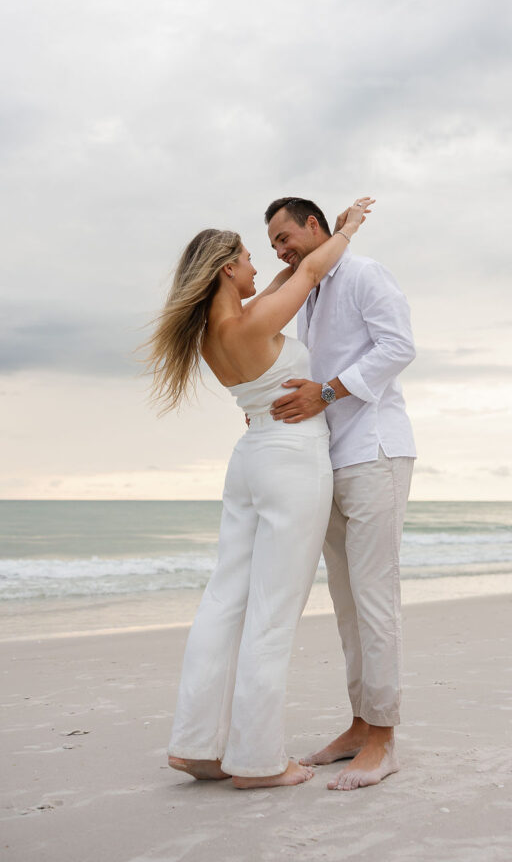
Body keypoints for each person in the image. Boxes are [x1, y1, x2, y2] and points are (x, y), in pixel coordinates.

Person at [143, 197, 374, 790]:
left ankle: (198, 746)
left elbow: (284, 279)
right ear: (225, 269)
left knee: (225, 602)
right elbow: (311, 273)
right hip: (290, 460)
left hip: (248, 462)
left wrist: (290, 264)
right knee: (272, 613)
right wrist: (347, 227)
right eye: (248, 256)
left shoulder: (213, 333)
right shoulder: (253, 320)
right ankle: (258, 759)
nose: (258, 264)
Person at [264, 197, 416, 791]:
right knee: (348, 604)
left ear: (314, 225)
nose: (281, 249)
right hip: (327, 458)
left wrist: (325, 394)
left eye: (285, 236)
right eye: (272, 244)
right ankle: (359, 726)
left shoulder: (363, 273)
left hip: (375, 451)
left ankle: (384, 740)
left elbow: (398, 347)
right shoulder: (313, 294)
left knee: (376, 600)